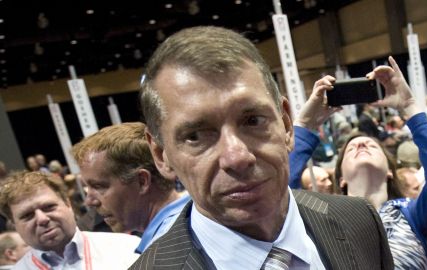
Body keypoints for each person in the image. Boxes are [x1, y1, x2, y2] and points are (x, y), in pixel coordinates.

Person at [130, 26, 393, 269]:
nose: (237, 157)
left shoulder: (359, 219)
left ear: (286, 124)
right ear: (161, 155)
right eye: (196, 136)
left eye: (253, 121)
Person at [289, 57, 427, 269]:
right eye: (351, 149)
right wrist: (304, 125)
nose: (361, 146)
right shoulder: (322, 216)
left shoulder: (410, 214)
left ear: (389, 172)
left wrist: (409, 106)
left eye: (371, 145)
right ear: (341, 179)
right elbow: (282, 196)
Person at [71, 122, 190, 253]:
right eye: (87, 188)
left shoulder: (171, 249)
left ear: (142, 181)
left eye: (99, 186)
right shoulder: (192, 224)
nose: (89, 201)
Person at [0, 171, 140, 269]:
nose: (42, 219)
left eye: (49, 207)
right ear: (14, 225)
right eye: (27, 215)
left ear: (68, 204)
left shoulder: (128, 249)